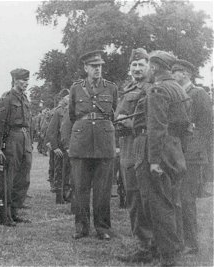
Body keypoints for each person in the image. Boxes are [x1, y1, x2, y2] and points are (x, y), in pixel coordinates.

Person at [134, 51, 190, 266]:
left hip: (160, 150)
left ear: (154, 67)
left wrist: (154, 160)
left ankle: (168, 256)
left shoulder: (158, 89)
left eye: (147, 65)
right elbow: (185, 125)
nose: (145, 69)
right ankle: (172, 249)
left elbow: (157, 127)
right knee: (172, 201)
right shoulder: (176, 87)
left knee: (159, 204)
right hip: (174, 149)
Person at [68, 50, 118, 240]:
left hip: (104, 143)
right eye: (94, 66)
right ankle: (81, 227)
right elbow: (72, 115)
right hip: (81, 143)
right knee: (80, 187)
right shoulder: (76, 88)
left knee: (103, 189)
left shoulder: (111, 88)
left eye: (100, 66)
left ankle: (103, 228)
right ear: (85, 68)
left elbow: (114, 114)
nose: (98, 69)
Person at [115, 48, 155, 263]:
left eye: (141, 64)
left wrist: (126, 122)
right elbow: (117, 115)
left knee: (143, 195)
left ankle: (147, 244)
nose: (137, 69)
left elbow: (149, 121)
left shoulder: (152, 88)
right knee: (132, 194)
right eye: (134, 65)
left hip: (142, 146)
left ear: (149, 66)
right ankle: (143, 242)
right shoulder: (128, 88)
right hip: (127, 147)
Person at [172, 59, 213, 255]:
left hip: (192, 155)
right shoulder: (178, 94)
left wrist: (198, 150)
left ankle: (191, 242)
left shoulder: (198, 94)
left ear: (186, 74)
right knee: (177, 197)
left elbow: (206, 127)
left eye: (176, 72)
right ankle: (180, 239)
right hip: (178, 152)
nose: (173, 75)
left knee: (186, 198)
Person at [0, 68, 32, 226]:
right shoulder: (7, 98)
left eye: (27, 80)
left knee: (23, 177)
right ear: (15, 80)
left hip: (24, 139)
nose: (26, 83)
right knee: (8, 178)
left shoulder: (25, 98)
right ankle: (4, 215)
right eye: (23, 80)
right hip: (12, 138)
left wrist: (30, 142)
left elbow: (30, 123)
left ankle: (14, 212)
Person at [46, 91, 70, 204]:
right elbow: (52, 131)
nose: (69, 98)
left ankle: (68, 194)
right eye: (67, 97)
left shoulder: (75, 111)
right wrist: (55, 147)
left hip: (71, 147)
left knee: (70, 172)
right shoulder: (58, 111)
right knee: (59, 171)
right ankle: (59, 197)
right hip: (60, 147)